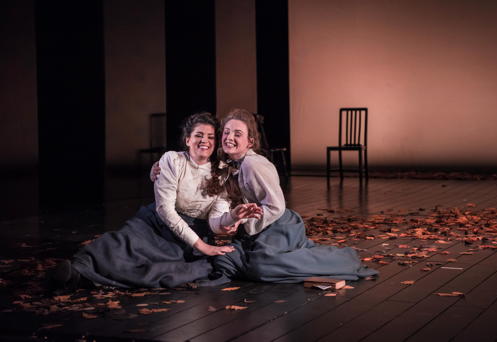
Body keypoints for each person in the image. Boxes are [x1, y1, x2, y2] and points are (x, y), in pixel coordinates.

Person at [153, 109, 378, 284]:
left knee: (261, 266)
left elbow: (276, 206)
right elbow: (190, 169)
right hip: (260, 227)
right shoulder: (229, 164)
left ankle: (343, 259)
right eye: (227, 132)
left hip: (278, 224)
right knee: (230, 261)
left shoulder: (252, 164)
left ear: (250, 141)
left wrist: (245, 223)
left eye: (238, 134)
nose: (230, 137)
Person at [51, 112, 261, 289]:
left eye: (210, 137)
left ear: (216, 143)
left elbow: (216, 220)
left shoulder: (223, 172)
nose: (204, 141)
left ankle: (91, 279)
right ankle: (78, 271)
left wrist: (230, 218)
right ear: (187, 139)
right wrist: (203, 247)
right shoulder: (173, 160)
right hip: (158, 223)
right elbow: (165, 210)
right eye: (198, 135)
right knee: (120, 244)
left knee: (162, 265)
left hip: (192, 231)